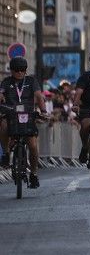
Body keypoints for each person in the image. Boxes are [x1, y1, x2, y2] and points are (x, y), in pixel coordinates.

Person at [0, 57, 47, 188]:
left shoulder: (32, 81)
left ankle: (34, 174)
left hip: (27, 115)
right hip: (10, 113)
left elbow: (38, 95)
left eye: (22, 70)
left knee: (32, 146)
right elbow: (1, 93)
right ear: (11, 71)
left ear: (26, 71)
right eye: (17, 70)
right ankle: (6, 153)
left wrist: (43, 110)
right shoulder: (6, 81)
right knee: (3, 125)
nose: (20, 73)